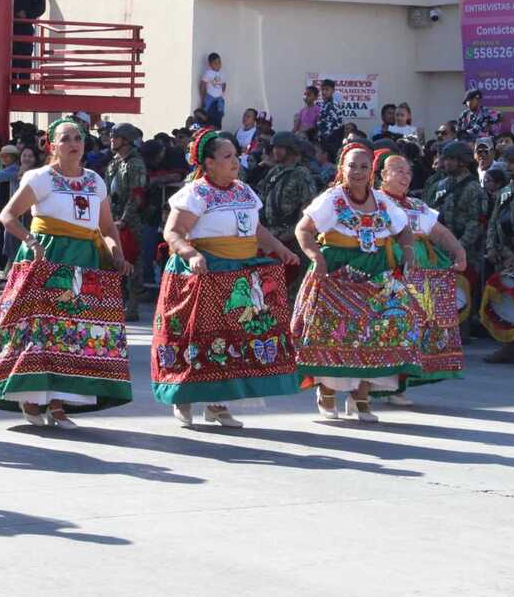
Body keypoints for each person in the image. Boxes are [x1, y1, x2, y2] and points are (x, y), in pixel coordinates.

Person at [0, 117, 133, 428]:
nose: (74, 143)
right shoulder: (41, 178)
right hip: (49, 258)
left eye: (78, 137)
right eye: (65, 138)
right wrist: (30, 240)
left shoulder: (95, 180)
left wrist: (117, 254)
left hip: (85, 261)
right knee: (42, 331)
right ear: (52, 145)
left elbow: (105, 227)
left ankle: (58, 402)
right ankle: (32, 396)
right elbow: (8, 215)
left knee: (74, 333)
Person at [153, 129, 300, 428]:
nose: (235, 162)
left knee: (233, 341)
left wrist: (281, 249)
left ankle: (218, 404)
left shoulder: (245, 191)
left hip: (240, 275)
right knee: (197, 337)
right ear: (208, 163)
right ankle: (183, 397)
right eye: (227, 156)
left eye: (236, 155)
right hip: (206, 273)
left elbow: (256, 230)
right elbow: (173, 232)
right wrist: (191, 254)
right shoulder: (196, 193)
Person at [292, 143, 422, 423]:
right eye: (352, 165)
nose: (358, 171)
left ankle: (360, 397)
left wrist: (408, 251)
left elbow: (404, 232)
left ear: (372, 171)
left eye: (364, 166)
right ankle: (327, 392)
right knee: (333, 333)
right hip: (337, 271)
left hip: (376, 270)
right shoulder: (332, 198)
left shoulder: (382, 200)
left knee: (376, 332)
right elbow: (303, 229)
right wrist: (316, 256)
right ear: (342, 168)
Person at [373, 152, 467, 404]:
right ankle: (365, 389)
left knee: (413, 331)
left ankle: (398, 385)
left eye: (408, 172)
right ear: (383, 175)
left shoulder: (416, 205)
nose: (405, 176)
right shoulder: (373, 201)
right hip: (388, 272)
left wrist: (459, 251)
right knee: (385, 328)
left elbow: (439, 232)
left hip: (420, 279)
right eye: (399, 171)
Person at [427, 141, 488, 341]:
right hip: (438, 248)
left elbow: (476, 221)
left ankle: (462, 332)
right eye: (445, 158)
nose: (446, 162)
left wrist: (459, 246)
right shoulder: (440, 185)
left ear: (463, 162)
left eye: (451, 159)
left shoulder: (473, 189)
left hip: (465, 249)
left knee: (462, 291)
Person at [480, 143, 514, 366]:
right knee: (506, 301)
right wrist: (492, 247)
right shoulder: (504, 192)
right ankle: (508, 347)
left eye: (513, 162)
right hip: (505, 256)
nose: (508, 165)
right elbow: (492, 223)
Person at [255, 131, 317, 293]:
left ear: (292, 150)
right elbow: (261, 200)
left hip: (290, 237)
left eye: (281, 148)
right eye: (275, 147)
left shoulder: (301, 174)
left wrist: (293, 233)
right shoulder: (274, 172)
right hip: (270, 235)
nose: (276, 151)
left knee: (290, 287)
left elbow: (307, 206)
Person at [105, 123, 147, 321]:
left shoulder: (135, 163)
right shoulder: (114, 161)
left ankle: (132, 306)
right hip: (112, 216)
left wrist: (124, 220)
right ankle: (114, 302)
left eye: (116, 137)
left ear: (126, 140)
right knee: (112, 259)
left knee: (132, 260)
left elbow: (136, 195)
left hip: (129, 221)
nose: (112, 139)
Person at [11, 0, 46, 93]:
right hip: (12, 29)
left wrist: (27, 15)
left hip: (25, 28)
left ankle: (24, 87)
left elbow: (41, 8)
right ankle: (12, 85)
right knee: (12, 58)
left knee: (25, 58)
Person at [315, 79, 344, 160]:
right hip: (325, 139)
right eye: (322, 90)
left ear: (333, 91)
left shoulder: (333, 105)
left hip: (332, 140)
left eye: (327, 89)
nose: (324, 92)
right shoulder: (324, 104)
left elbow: (331, 127)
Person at [197, 53, 226, 130]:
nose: (218, 64)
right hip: (210, 96)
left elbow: (224, 84)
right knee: (206, 112)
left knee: (220, 113)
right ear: (210, 64)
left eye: (219, 62)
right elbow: (202, 85)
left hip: (219, 97)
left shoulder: (222, 74)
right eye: (215, 63)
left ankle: (217, 128)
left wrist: (221, 93)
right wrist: (203, 98)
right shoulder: (208, 73)